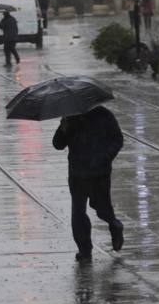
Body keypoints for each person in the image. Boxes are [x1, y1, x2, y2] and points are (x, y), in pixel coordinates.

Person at [52, 105, 125, 261]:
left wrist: (104, 158)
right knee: (78, 213)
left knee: (102, 209)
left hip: (99, 173)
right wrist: (63, 129)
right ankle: (84, 249)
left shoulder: (104, 116)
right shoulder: (70, 118)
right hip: (77, 174)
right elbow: (58, 144)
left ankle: (114, 225)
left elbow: (117, 140)